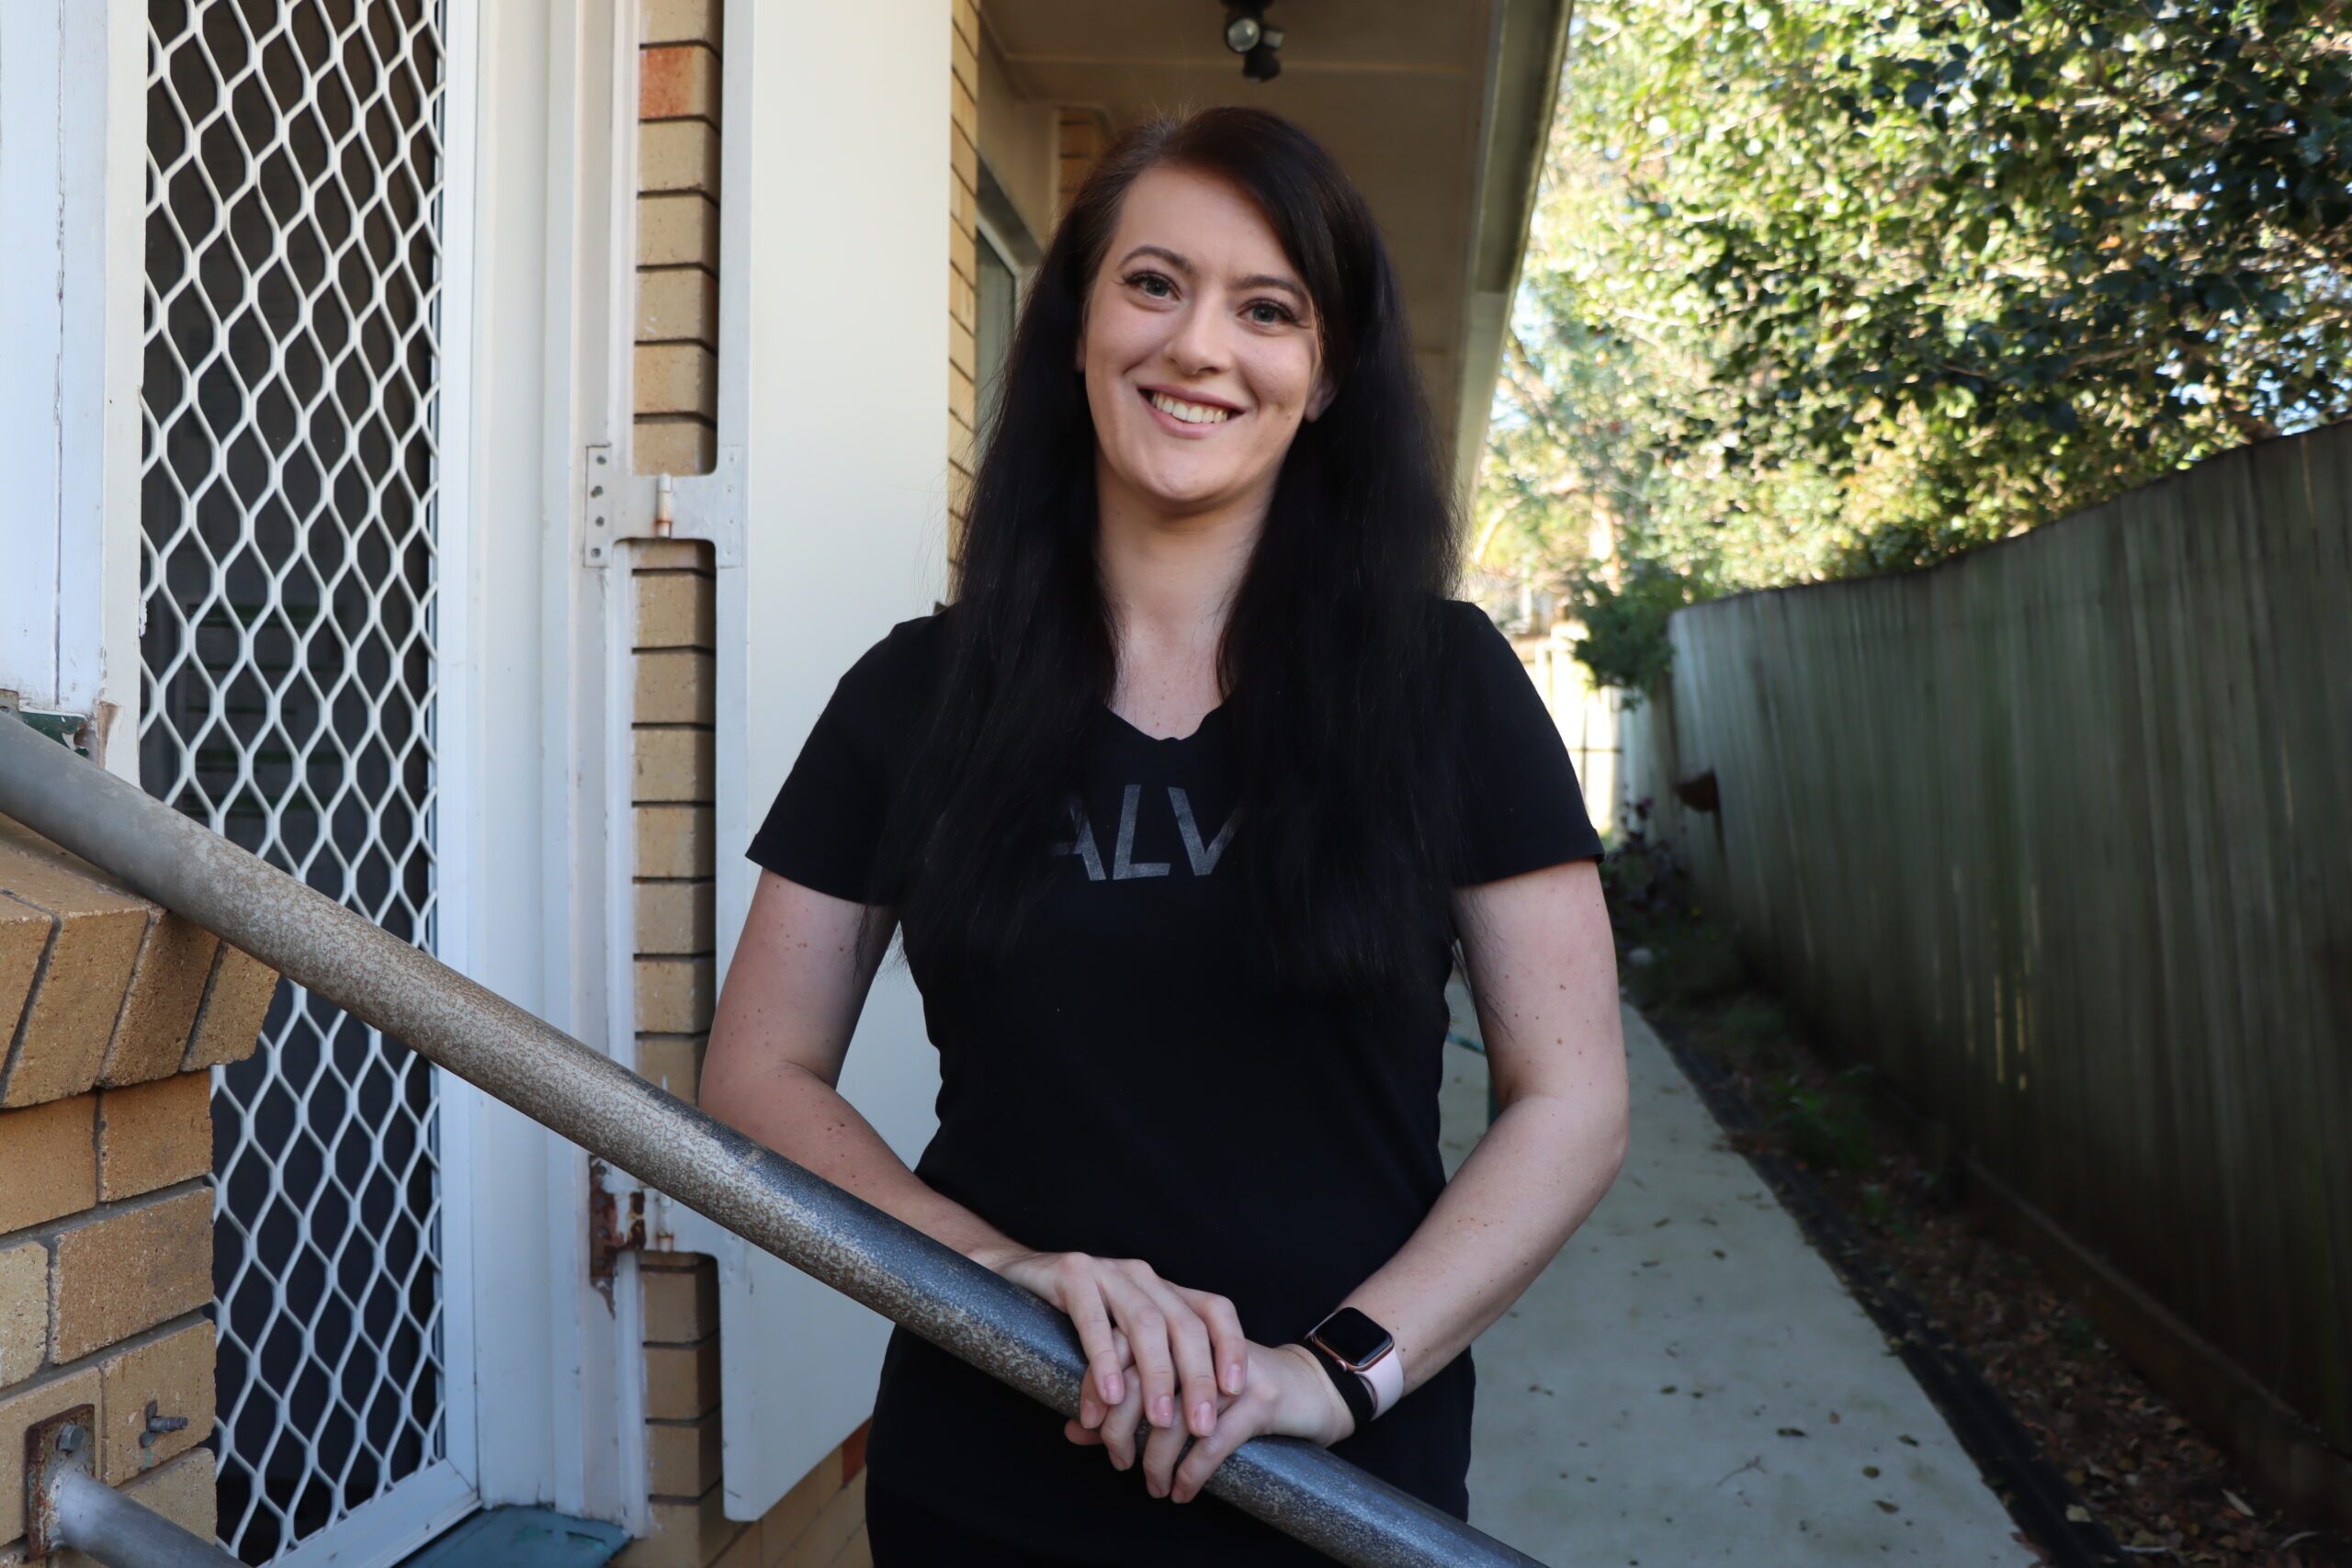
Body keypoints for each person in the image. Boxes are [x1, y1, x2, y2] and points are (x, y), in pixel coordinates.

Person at [700, 105, 1630, 1567]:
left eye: (1268, 309)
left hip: (1338, 1497)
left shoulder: (1442, 687)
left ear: (1322, 380)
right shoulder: (910, 696)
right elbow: (756, 1071)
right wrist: (999, 1275)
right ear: (1076, 329)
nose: (1201, 347)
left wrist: (1331, 1373)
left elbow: (1572, 1099)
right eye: (1154, 285)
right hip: (985, 1477)